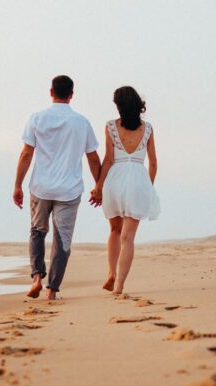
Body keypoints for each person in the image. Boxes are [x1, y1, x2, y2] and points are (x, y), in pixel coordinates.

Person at [13, 75, 101, 300]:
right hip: (69, 191)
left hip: (40, 187)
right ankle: (51, 290)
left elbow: (26, 154)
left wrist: (17, 185)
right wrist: (99, 185)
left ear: (51, 92)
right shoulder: (82, 122)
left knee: (37, 232)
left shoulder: (37, 118)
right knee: (62, 239)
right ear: (72, 95)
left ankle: (36, 278)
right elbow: (92, 158)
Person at [89, 86, 160, 295]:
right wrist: (148, 187)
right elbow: (154, 163)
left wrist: (98, 186)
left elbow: (109, 159)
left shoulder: (111, 126)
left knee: (114, 230)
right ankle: (119, 285)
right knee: (128, 237)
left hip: (115, 180)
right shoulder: (147, 129)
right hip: (138, 180)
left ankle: (111, 273)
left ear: (118, 106)